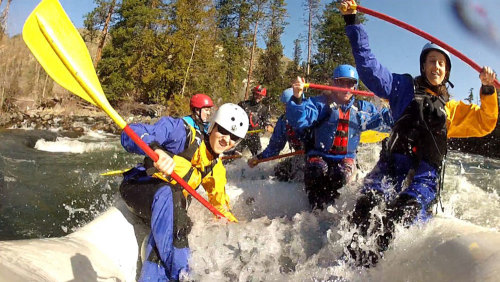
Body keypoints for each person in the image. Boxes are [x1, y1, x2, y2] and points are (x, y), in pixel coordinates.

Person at [339, 0, 498, 267]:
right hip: (391, 167)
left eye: (441, 64)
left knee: (402, 214)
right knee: (365, 209)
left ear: (446, 73)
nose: (436, 67)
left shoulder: (453, 109)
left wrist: (488, 90)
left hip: (425, 175)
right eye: (432, 62)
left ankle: (383, 268)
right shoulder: (401, 87)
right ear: (423, 65)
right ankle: (349, 266)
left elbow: (486, 122)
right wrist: (353, 23)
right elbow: (370, 69)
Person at [119, 103, 249, 281]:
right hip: (139, 188)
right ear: (212, 126)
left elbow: (220, 206)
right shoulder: (182, 133)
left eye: (234, 137)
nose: (226, 140)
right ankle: (181, 274)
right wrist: (156, 151)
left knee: (181, 221)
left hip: (170, 209)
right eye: (223, 131)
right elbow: (130, 132)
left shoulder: (216, 169)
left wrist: (237, 226)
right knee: (170, 195)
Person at [287, 64, 393, 210]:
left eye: (350, 83)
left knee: (340, 177)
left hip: (345, 158)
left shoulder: (362, 109)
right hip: (319, 155)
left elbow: (385, 121)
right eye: (341, 82)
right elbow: (299, 120)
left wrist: (397, 104)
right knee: (315, 173)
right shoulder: (321, 103)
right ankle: (313, 213)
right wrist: (298, 97)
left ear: (355, 87)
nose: (346, 87)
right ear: (333, 83)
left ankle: (333, 214)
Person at [247, 88, 306, 182]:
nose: (286, 108)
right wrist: (259, 158)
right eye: (285, 105)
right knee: (280, 171)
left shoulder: (311, 115)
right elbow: (274, 147)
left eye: (289, 105)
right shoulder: (284, 122)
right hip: (300, 157)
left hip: (317, 157)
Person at [236, 85, 273, 156]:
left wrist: (268, 126)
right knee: (234, 155)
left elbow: (266, 121)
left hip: (254, 137)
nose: (258, 97)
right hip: (241, 135)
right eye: (257, 94)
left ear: (263, 97)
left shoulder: (264, 109)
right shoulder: (243, 104)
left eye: (260, 96)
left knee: (258, 158)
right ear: (253, 94)